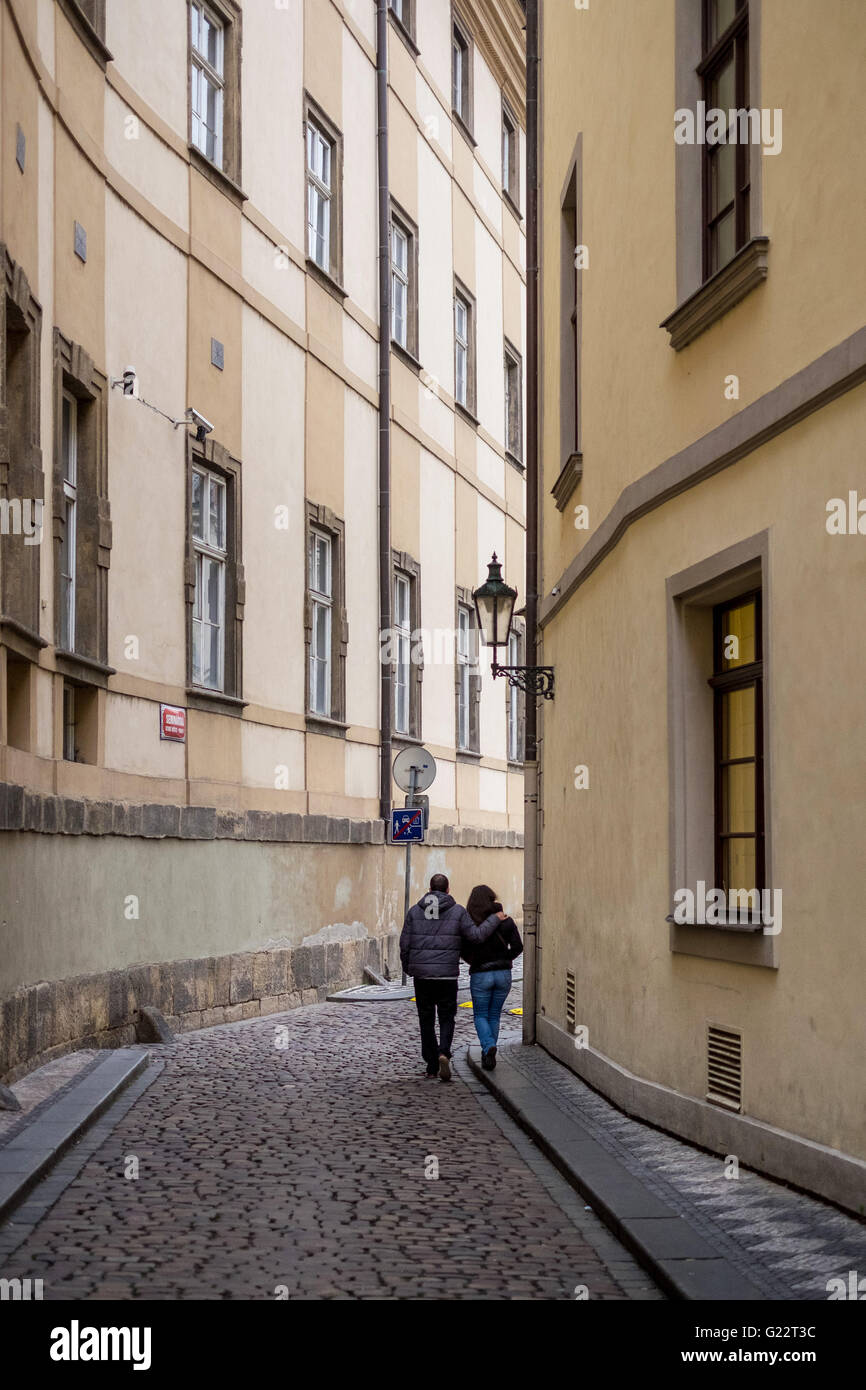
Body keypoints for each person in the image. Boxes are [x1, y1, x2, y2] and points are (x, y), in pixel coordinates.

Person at [400, 873, 505, 1082]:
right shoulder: (457, 912)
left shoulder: (414, 912)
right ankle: (443, 1052)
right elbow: (476, 936)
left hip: (422, 977)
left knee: (426, 1020)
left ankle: (431, 1065)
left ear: (429, 890)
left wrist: (409, 968)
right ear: (448, 890)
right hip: (447, 976)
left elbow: (405, 945)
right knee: (447, 1017)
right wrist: (495, 918)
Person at [463, 885, 523, 1071]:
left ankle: (488, 1047)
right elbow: (518, 947)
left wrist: (474, 960)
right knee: (494, 1014)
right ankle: (488, 1055)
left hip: (481, 974)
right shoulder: (506, 921)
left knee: (481, 1014)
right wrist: (505, 959)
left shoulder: (470, 922)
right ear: (492, 899)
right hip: (503, 974)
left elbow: (463, 949)